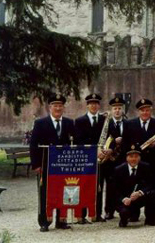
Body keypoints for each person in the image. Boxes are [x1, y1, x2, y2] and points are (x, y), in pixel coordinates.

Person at [30, 93, 76, 232]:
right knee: (45, 193)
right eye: (55, 105)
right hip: (46, 165)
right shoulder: (40, 123)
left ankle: (61, 221)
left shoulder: (69, 123)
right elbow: (33, 145)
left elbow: (75, 142)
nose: (58, 108)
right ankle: (44, 222)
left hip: (64, 166)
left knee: (64, 191)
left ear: (63, 107)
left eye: (60, 105)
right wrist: (36, 165)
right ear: (50, 107)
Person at [74, 92, 107, 223]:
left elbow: (108, 137)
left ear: (99, 106)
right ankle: (81, 215)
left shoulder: (104, 120)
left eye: (96, 103)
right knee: (84, 187)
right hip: (86, 159)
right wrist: (94, 150)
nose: (93, 106)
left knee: (99, 186)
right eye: (91, 103)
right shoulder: (79, 121)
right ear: (87, 106)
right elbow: (78, 140)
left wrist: (104, 150)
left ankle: (96, 214)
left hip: (101, 158)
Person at [113, 143, 155, 227]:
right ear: (127, 158)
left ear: (139, 157)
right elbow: (115, 189)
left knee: (153, 193)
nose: (133, 159)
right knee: (124, 212)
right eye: (131, 157)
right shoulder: (119, 170)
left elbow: (151, 184)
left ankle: (150, 219)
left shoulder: (146, 167)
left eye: (136, 156)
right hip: (126, 200)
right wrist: (123, 199)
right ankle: (124, 219)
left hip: (139, 197)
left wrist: (140, 192)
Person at [103, 95, 127, 220]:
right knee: (111, 185)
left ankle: (125, 210)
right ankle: (109, 210)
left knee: (125, 184)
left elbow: (130, 139)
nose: (117, 110)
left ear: (122, 110)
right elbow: (103, 140)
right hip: (110, 160)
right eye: (115, 108)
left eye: (119, 108)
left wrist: (123, 141)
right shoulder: (106, 124)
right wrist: (113, 144)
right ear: (111, 110)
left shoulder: (128, 123)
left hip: (124, 159)